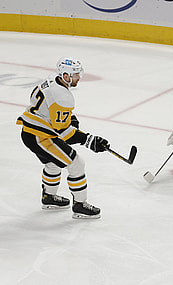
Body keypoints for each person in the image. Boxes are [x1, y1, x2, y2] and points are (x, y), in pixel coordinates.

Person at [16, 57, 109, 219]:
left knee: (53, 164)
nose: (79, 77)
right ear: (65, 76)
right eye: (75, 74)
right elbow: (64, 133)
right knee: (77, 163)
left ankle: (49, 197)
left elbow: (51, 111)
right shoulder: (62, 96)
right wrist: (89, 140)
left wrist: (68, 119)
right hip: (41, 136)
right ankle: (80, 206)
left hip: (30, 131)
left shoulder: (52, 79)